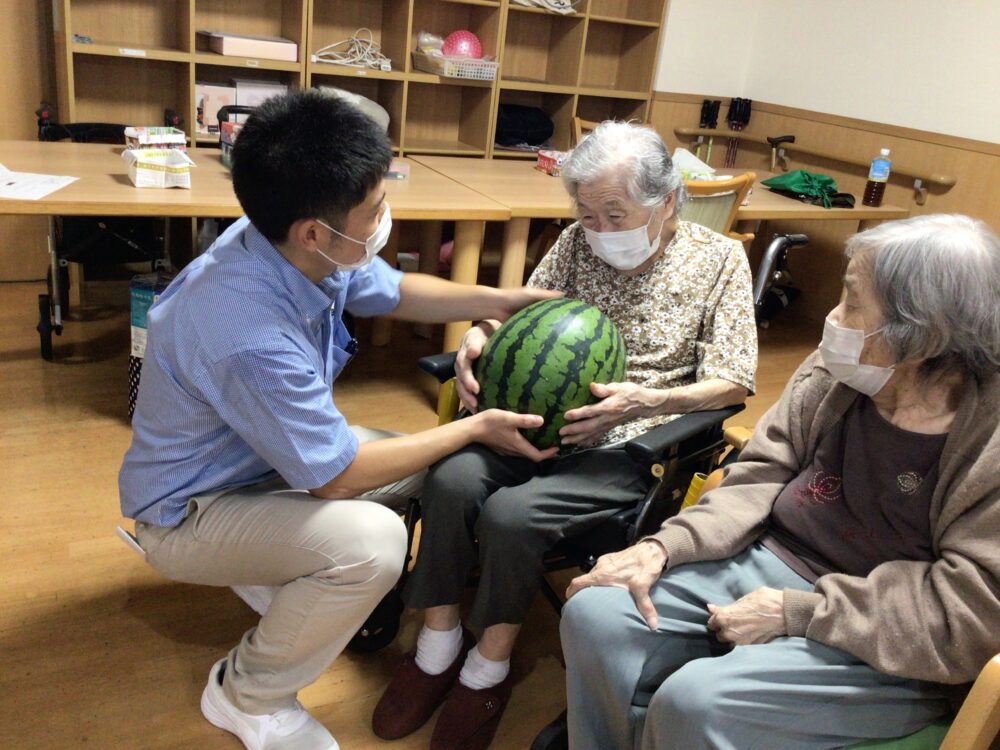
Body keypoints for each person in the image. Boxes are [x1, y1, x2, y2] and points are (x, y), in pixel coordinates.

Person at [118, 90, 559, 750]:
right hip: (188, 513)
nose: (386, 217)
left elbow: (395, 289)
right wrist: (472, 427)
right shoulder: (246, 331)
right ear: (315, 231)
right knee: (371, 543)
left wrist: (503, 297)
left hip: (252, 469)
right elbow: (338, 477)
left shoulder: (290, 245)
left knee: (411, 465)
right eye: (376, 208)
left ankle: (276, 567)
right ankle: (245, 693)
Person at [373, 121, 758, 749]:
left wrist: (647, 398)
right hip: (525, 416)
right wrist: (479, 339)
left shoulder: (719, 262)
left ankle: (487, 667)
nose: (600, 230)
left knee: (512, 516)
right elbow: (514, 313)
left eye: (616, 212)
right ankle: (438, 644)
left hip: (631, 440)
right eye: (587, 213)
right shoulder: (578, 243)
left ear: (667, 201)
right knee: (449, 478)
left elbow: (734, 381)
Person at [560, 213, 1000, 750]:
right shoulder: (839, 371)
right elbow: (759, 472)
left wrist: (797, 613)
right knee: (595, 613)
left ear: (923, 338)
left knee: (696, 703)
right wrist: (664, 546)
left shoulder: (988, 441)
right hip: (772, 558)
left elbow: (968, 611)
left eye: (854, 302)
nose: (833, 319)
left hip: (890, 633)